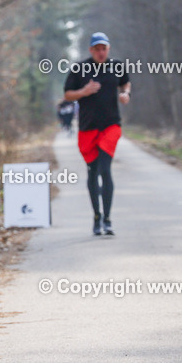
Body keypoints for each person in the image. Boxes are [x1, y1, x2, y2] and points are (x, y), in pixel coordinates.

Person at [63, 32, 131, 236]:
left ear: (108, 49)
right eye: (97, 49)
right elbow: (67, 94)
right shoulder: (80, 69)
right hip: (87, 128)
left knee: (104, 169)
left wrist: (125, 93)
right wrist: (84, 92)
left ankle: (108, 219)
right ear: (91, 50)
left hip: (110, 125)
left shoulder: (117, 66)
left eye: (104, 48)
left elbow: (125, 82)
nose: (101, 52)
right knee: (93, 172)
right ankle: (96, 218)